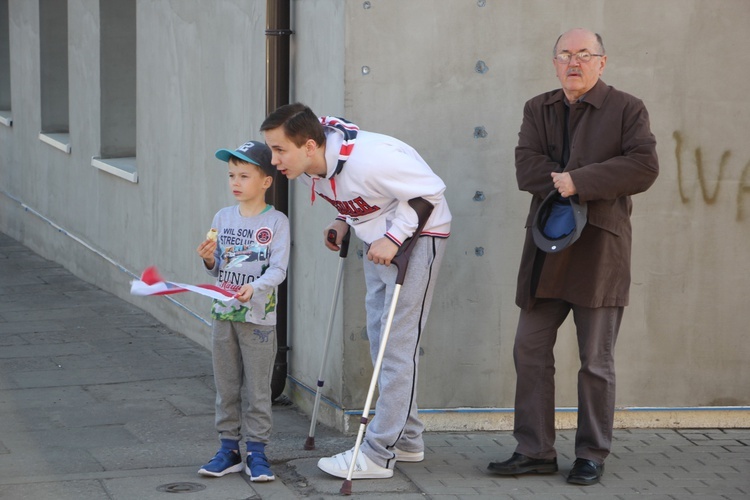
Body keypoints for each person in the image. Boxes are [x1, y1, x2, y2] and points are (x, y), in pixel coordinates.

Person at [487, 29, 658, 485]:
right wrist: (556, 181)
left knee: (596, 361)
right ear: (554, 62)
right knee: (530, 349)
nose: (574, 62)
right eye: (565, 54)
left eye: (584, 54)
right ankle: (535, 449)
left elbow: (644, 166)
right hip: (547, 247)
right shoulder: (537, 107)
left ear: (603, 62)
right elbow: (526, 165)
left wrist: (578, 180)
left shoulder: (627, 108)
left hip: (600, 251)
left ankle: (591, 453)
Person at [260, 103, 451, 480]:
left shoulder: (372, 159)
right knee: (380, 339)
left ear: (311, 145)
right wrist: (342, 220)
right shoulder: (305, 168)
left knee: (398, 345)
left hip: (416, 237)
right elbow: (357, 195)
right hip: (375, 238)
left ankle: (379, 454)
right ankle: (408, 439)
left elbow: (430, 195)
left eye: (280, 150)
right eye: (271, 150)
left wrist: (396, 238)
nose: (273, 159)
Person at [195, 140, 290, 482]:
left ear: (266, 181)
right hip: (223, 314)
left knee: (258, 388)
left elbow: (278, 270)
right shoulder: (222, 217)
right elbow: (217, 265)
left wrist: (256, 288)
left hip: (258, 319)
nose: (236, 182)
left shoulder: (277, 222)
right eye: (232, 175)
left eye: (244, 175)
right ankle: (229, 449)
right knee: (227, 384)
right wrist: (209, 258)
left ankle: (258, 452)